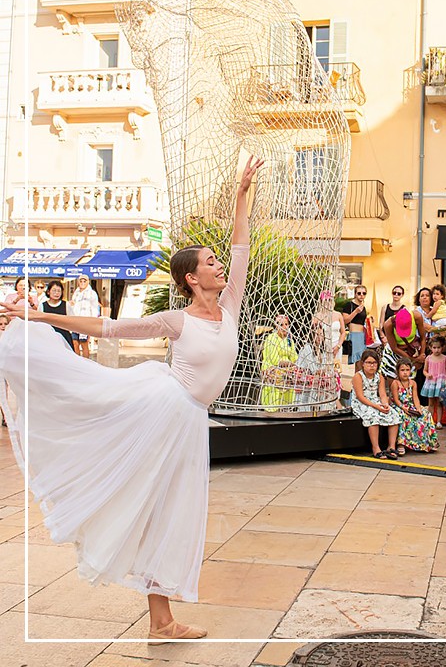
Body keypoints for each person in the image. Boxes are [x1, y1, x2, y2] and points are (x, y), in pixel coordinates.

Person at [0, 155, 264, 642]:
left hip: (187, 419)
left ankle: (162, 621)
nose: (220, 265)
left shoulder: (229, 306)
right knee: (153, 498)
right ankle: (161, 618)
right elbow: (108, 327)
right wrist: (39, 320)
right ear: (191, 278)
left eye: (217, 260)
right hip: (164, 407)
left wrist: (241, 194)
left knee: (171, 509)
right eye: (210, 262)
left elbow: (241, 245)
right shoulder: (175, 319)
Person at [349, 349, 400, 459]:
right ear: (363, 364)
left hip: (375, 401)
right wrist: (376, 406)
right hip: (362, 403)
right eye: (368, 363)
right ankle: (375, 447)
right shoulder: (358, 376)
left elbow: (382, 394)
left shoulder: (379, 376)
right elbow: (360, 396)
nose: (371, 366)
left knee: (393, 414)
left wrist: (385, 404)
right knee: (373, 416)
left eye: (374, 363)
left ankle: (391, 446)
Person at [390, 358, 438, 454]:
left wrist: (418, 408)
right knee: (404, 416)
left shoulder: (413, 383)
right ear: (398, 371)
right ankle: (401, 443)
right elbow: (395, 399)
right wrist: (403, 408)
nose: (405, 373)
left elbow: (415, 397)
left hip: (410, 405)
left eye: (407, 370)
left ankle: (428, 443)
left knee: (426, 414)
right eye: (402, 370)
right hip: (399, 406)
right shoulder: (395, 383)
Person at [260, 314, 298, 409]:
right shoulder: (271, 339)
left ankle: (287, 406)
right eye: (282, 324)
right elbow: (274, 360)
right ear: (276, 326)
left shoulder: (289, 340)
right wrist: (290, 364)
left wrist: (292, 364)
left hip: (286, 371)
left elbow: (294, 357)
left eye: (286, 324)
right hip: (273, 370)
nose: (285, 327)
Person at [380, 307, 428, 382]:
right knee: (392, 377)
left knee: (409, 379)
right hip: (395, 352)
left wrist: (421, 355)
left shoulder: (417, 317)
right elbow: (394, 348)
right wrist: (414, 360)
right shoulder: (388, 324)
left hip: (410, 350)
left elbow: (423, 338)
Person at [422, 335, 446, 427]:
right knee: (431, 403)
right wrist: (427, 374)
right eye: (434, 347)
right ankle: (430, 421)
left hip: (440, 382)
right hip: (431, 382)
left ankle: (438, 421)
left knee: (439, 403)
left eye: (439, 347)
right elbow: (424, 370)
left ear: (442, 348)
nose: (437, 350)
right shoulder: (428, 358)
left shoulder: (445, 358)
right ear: (430, 348)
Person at [70, 274, 100, 359]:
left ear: (88, 282)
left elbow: (94, 308)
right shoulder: (76, 293)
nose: (82, 283)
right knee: (75, 342)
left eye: (84, 281)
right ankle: (77, 361)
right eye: (81, 281)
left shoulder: (92, 293)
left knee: (84, 343)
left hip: (85, 321)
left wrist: (93, 322)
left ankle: (86, 362)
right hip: (75, 320)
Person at [41, 279, 74, 350]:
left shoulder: (66, 305)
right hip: (48, 337)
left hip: (64, 336)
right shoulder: (42, 305)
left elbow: (72, 320)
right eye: (54, 290)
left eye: (59, 291)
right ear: (48, 292)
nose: (56, 293)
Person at [342, 285, 368, 370]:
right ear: (355, 294)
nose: (361, 295)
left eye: (364, 293)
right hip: (354, 335)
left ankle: (358, 382)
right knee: (359, 362)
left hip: (362, 335)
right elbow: (345, 321)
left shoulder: (363, 307)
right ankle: (358, 381)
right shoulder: (349, 305)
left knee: (362, 362)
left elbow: (362, 322)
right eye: (359, 293)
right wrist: (356, 311)